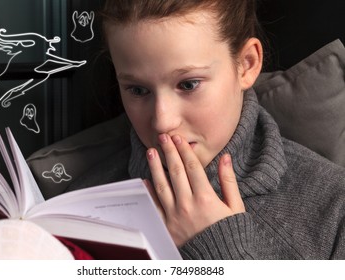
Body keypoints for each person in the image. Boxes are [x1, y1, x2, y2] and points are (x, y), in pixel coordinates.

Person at [98, 0, 345, 259]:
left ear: (247, 64)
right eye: (138, 90)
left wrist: (220, 251)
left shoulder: (335, 210)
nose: (162, 121)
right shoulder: (78, 203)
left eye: (189, 84)